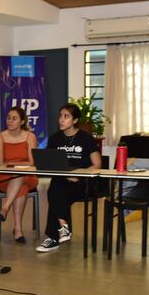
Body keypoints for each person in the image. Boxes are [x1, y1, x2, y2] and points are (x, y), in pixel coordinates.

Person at [36, 103, 101, 253]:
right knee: (57, 186)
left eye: (66, 116)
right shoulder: (55, 138)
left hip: (82, 183)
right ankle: (63, 228)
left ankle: (54, 237)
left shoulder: (86, 138)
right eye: (60, 116)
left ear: (75, 120)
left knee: (54, 191)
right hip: (62, 181)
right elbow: (48, 161)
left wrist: (78, 175)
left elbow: (97, 164)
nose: (61, 120)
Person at [0, 106, 38, 243]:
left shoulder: (30, 136)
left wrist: (15, 165)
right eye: (8, 118)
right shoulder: (1, 136)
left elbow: (32, 162)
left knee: (20, 175)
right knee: (21, 186)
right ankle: (17, 229)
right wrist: (13, 167)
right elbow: (0, 163)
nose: (10, 121)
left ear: (22, 121)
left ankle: (5, 209)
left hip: (27, 175)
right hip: (6, 176)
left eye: (14, 118)